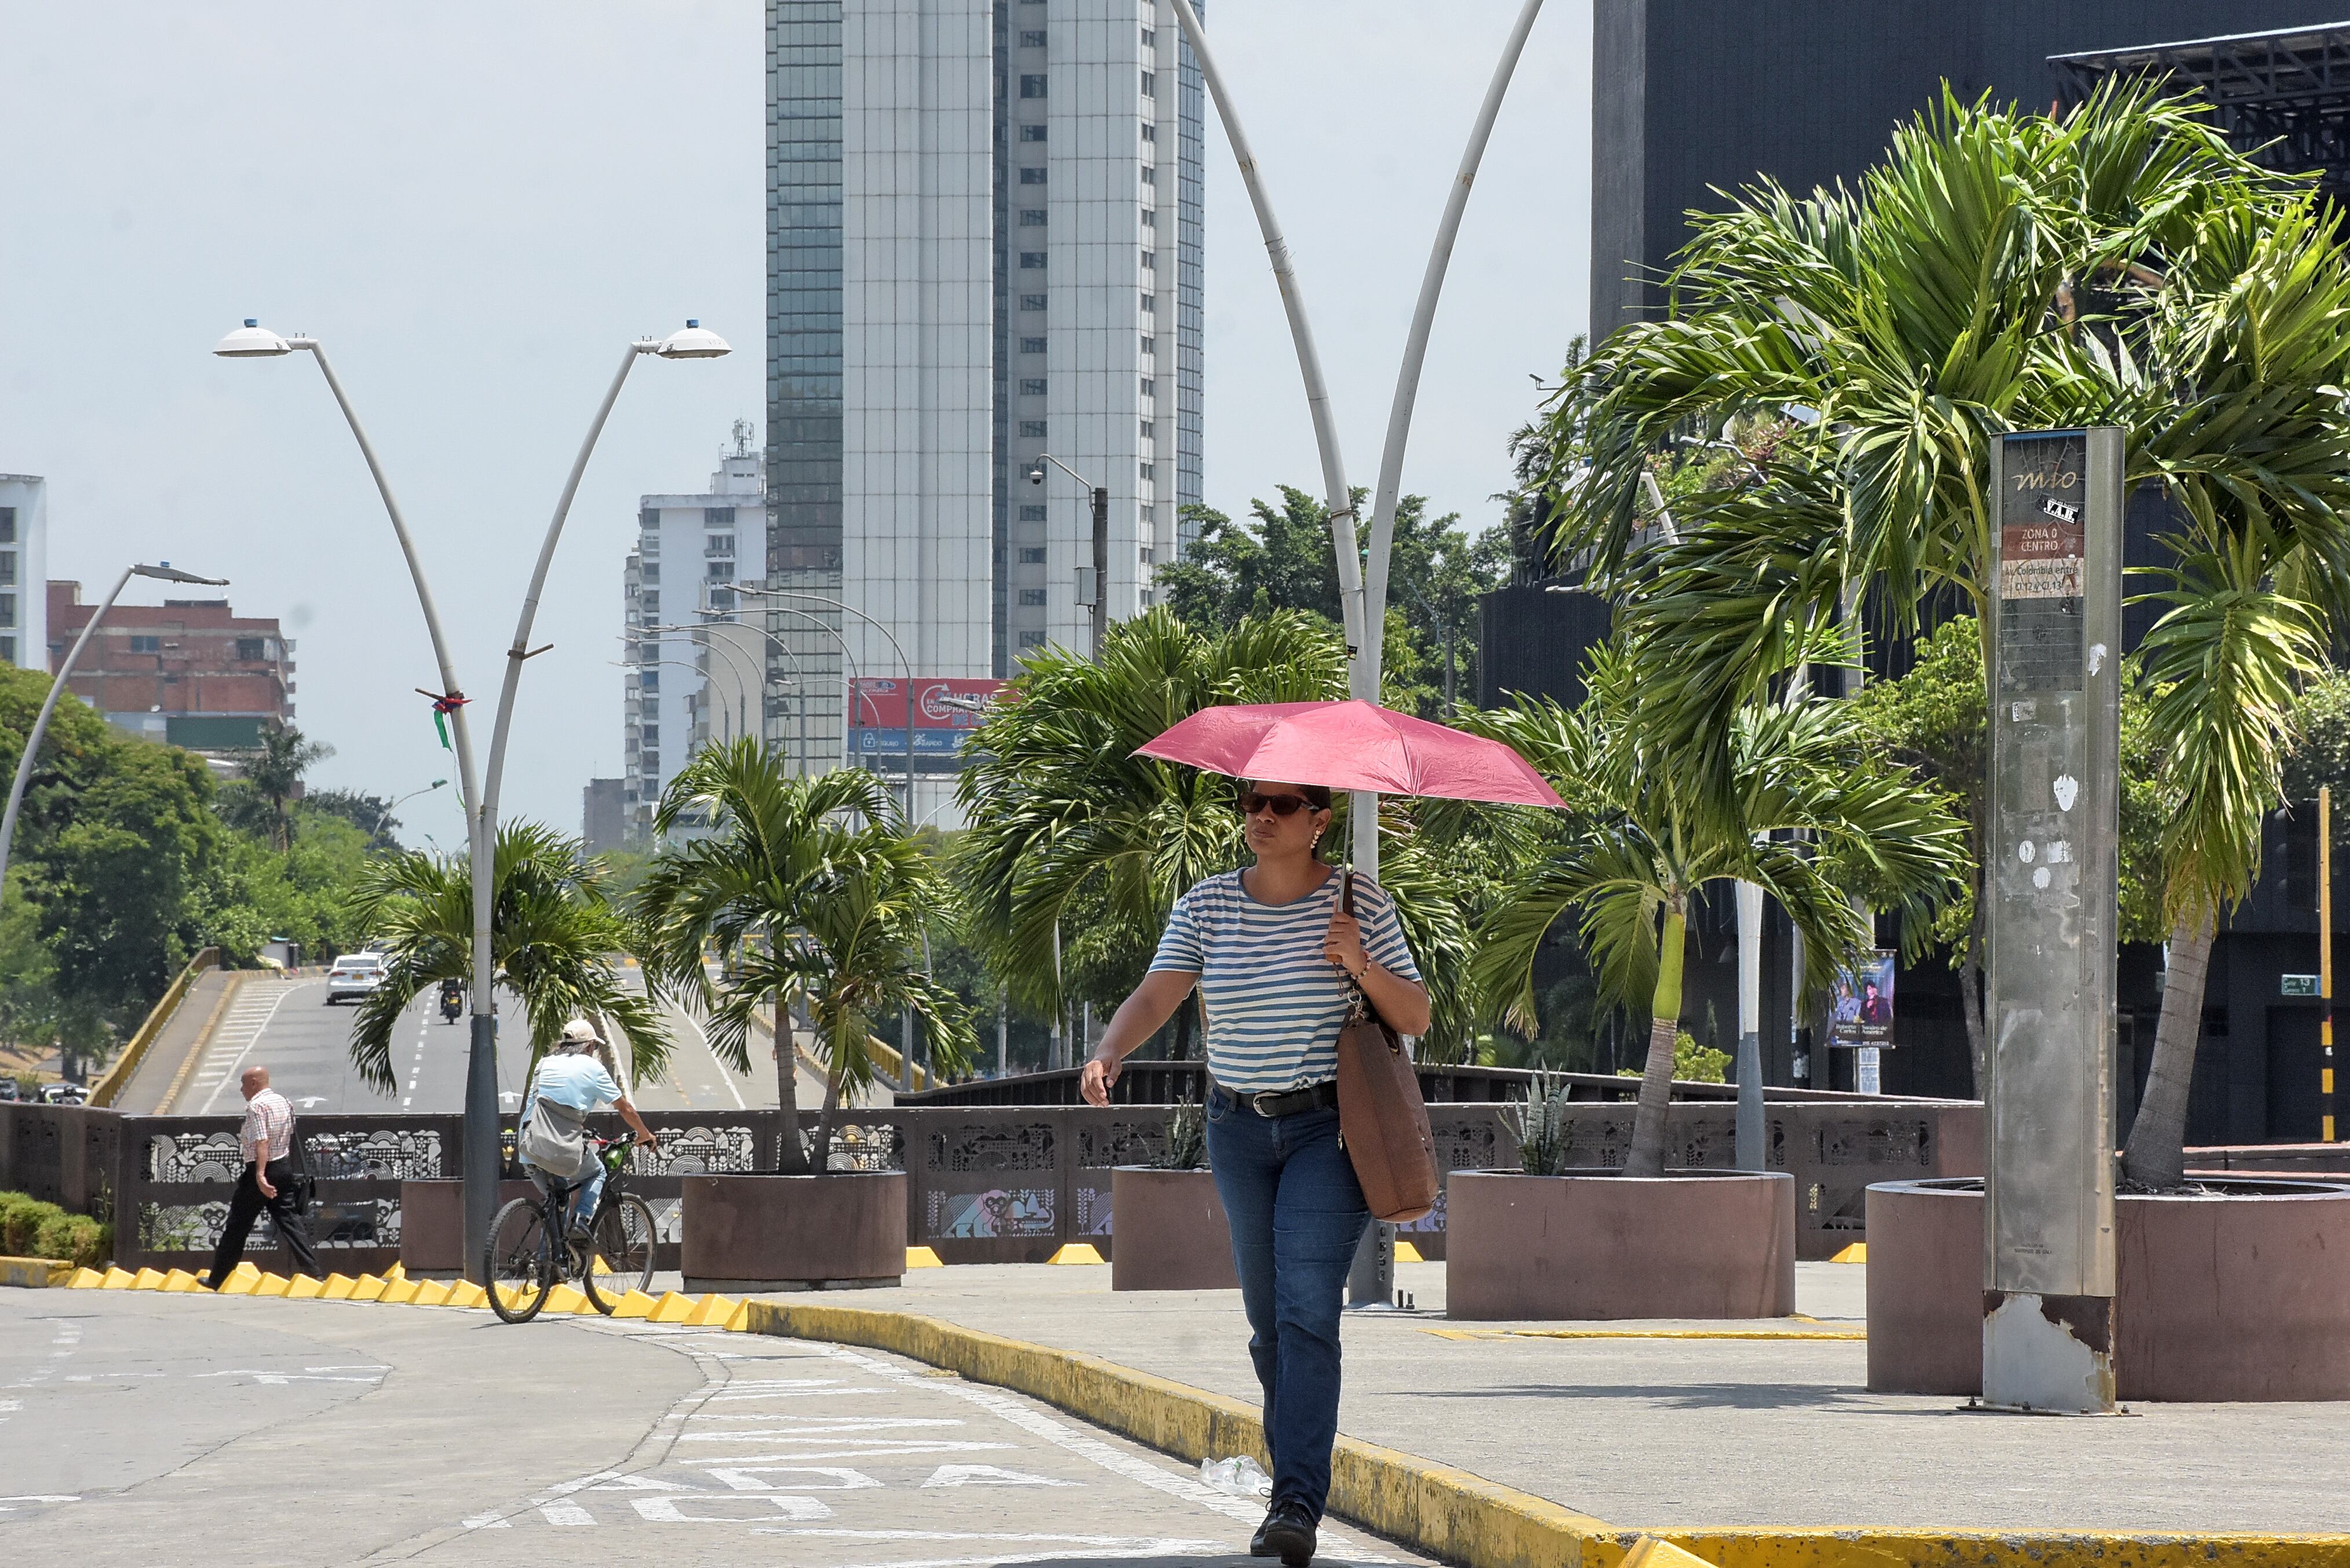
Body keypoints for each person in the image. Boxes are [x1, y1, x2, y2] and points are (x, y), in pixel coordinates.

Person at [1081, 779, 1427, 1568]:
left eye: (1281, 804)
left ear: (1318, 820)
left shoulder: (1356, 902)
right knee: (1269, 1323)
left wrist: (1359, 961)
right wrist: (1109, 1048)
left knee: (1307, 1312)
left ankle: (1295, 1503)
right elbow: (1159, 990)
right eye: (1249, 803)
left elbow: (1414, 1013)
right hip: (1234, 1127)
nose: (1260, 817)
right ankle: (1294, 1481)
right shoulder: (1206, 904)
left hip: (1325, 1132)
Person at [519, 1018, 656, 1237]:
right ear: (590, 1046)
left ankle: (552, 1264)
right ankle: (582, 1220)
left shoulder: (544, 1064)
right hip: (559, 1148)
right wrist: (644, 1134)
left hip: (529, 1148)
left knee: (559, 1199)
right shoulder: (593, 1068)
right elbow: (625, 1108)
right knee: (597, 1172)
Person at [203, 1066, 319, 1287]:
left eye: (244, 1084)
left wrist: (260, 1175)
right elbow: (288, 1137)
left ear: (255, 1082)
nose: (241, 1090)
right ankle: (315, 1273)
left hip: (262, 1170)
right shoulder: (285, 1102)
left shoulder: (256, 1107)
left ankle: (218, 1278)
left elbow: (262, 1142)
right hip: (283, 1168)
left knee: (237, 1226)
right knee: (291, 1223)